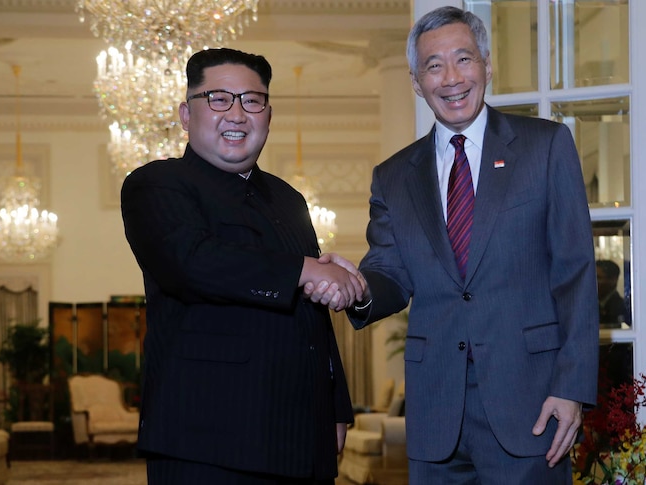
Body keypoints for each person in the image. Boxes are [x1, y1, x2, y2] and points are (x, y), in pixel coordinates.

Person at [313, 6, 600, 483]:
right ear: (415, 80)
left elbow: (574, 273)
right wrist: (356, 286)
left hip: (530, 401)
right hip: (436, 409)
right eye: (433, 65)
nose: (451, 78)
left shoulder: (545, 146)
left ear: (486, 64)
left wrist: (571, 388)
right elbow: (390, 273)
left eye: (463, 59)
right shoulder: (392, 177)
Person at [121, 47, 365, 484]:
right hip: (207, 440)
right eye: (218, 99)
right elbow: (192, 262)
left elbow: (314, 320)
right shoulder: (157, 183)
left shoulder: (289, 199)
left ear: (268, 115)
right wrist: (307, 270)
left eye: (252, 100)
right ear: (185, 113)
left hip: (301, 437)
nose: (236, 114)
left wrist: (336, 405)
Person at [596, 259, 626, 327]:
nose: (592, 282)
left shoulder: (621, 308)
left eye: (598, 278)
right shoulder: (588, 304)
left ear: (613, 280)